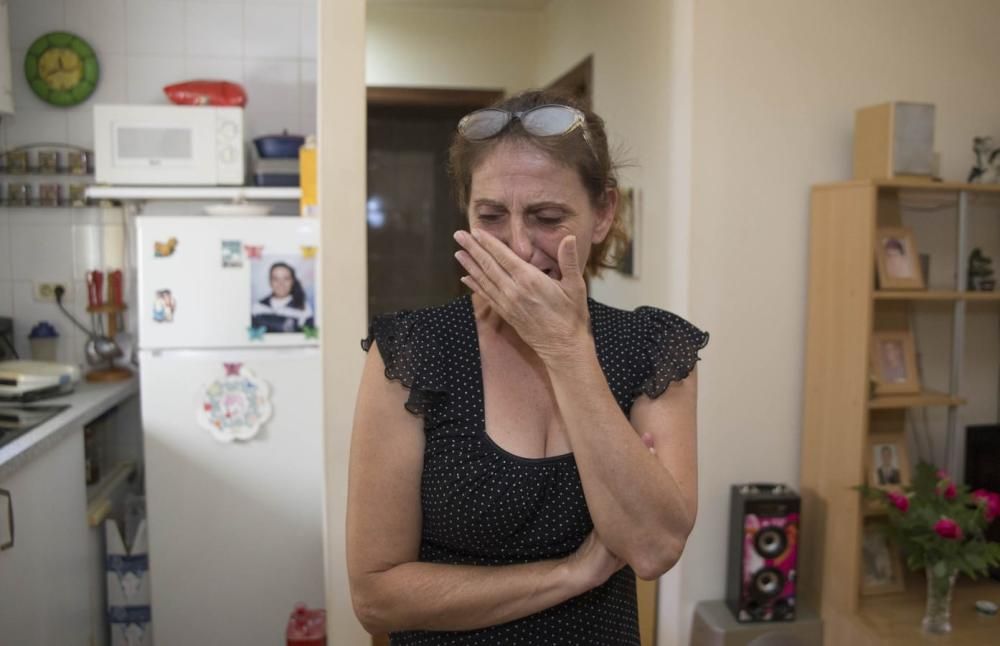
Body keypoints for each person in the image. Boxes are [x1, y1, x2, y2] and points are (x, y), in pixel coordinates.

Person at [347, 90, 708, 645]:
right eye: (490, 215)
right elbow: (376, 597)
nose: (518, 245)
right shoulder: (413, 353)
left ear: (603, 213)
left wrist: (566, 350)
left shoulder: (650, 348)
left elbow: (654, 546)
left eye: (547, 216)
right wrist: (569, 574)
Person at [250, 261, 314, 332]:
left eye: (286, 279)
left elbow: (309, 339)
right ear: (270, 282)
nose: (281, 283)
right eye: (276, 279)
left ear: (292, 281)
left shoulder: (304, 308)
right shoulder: (258, 307)